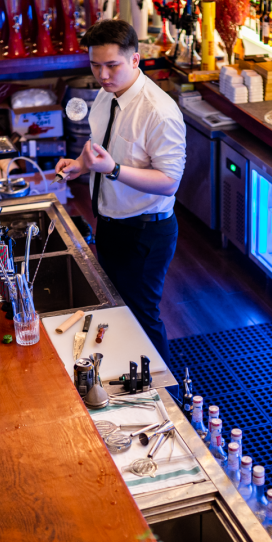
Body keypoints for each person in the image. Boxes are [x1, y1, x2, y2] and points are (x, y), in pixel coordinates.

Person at [56, 20, 186, 367]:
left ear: (135, 60)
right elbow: (101, 145)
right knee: (116, 308)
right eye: (95, 65)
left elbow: (169, 181)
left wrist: (113, 169)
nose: (102, 75)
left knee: (141, 316)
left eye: (112, 65)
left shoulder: (159, 112)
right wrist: (80, 165)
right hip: (111, 222)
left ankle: (165, 391)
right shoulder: (106, 95)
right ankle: (128, 378)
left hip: (145, 231)